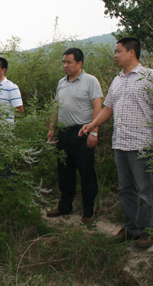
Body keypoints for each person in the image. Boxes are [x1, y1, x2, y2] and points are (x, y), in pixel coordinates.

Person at [80, 38, 153, 249]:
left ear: (132, 52)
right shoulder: (117, 80)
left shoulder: (149, 76)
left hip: (142, 143)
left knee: (145, 189)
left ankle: (147, 231)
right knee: (126, 189)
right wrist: (92, 125)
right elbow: (108, 108)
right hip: (121, 143)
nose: (115, 55)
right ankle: (130, 228)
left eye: (118, 51)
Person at [46, 48, 103, 225]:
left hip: (83, 133)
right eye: (63, 62)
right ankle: (65, 206)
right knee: (64, 173)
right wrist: (52, 128)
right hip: (64, 133)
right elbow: (56, 106)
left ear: (79, 63)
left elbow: (97, 107)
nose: (65, 65)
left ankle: (88, 211)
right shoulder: (61, 83)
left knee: (86, 174)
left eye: (69, 62)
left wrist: (94, 132)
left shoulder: (90, 81)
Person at [0, 57, 23, 179]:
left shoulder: (11, 87)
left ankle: (9, 196)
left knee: (7, 171)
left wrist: (7, 124)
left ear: (3, 70)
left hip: (4, 136)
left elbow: (19, 109)